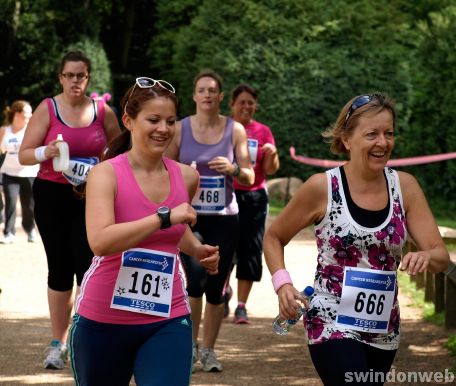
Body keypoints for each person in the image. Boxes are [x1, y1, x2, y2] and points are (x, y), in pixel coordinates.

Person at [263, 93, 450, 385]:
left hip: (383, 327)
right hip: (330, 319)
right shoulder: (321, 187)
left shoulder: (405, 187)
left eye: (389, 133)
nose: (383, 143)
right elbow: (274, 237)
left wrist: (426, 256)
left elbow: (440, 256)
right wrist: (282, 283)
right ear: (347, 139)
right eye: (372, 134)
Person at [69, 77, 219, 386]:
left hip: (167, 317)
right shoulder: (105, 174)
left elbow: (176, 232)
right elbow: (101, 241)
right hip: (103, 319)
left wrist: (197, 249)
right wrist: (163, 217)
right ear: (128, 120)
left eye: (170, 121)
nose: (163, 128)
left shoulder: (187, 177)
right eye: (153, 119)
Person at [18, 50, 121, 370]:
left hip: (92, 197)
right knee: (59, 267)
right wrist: (45, 151)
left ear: (88, 78)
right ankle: (57, 342)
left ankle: (84, 336)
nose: (75, 81)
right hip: (52, 195)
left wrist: (104, 163)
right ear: (60, 77)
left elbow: (122, 152)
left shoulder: (102, 111)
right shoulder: (47, 108)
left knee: (88, 264)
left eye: (81, 75)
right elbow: (23, 155)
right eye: (69, 75)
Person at [166, 70, 254, 372]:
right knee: (194, 282)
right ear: (194, 96)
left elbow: (250, 174)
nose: (206, 95)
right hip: (191, 218)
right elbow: (164, 169)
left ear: (219, 96)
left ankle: (209, 350)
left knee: (216, 287)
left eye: (212, 90)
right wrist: (183, 174)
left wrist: (232, 169)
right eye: (201, 90)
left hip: (224, 218)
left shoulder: (235, 130)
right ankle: (190, 348)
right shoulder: (179, 129)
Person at [224, 84, 280, 324]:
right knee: (224, 246)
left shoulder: (263, 131)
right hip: (226, 195)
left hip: (255, 196)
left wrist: (273, 153)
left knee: (250, 249)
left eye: (250, 102)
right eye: (242, 102)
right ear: (232, 105)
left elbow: (270, 169)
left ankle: (241, 306)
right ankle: (222, 291)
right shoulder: (222, 127)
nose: (246, 106)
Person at [0, 100, 38, 244]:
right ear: (17, 114)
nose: (30, 115)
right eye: (27, 112)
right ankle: (9, 232)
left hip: (29, 172)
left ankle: (30, 229)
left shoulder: (32, 130)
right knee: (10, 201)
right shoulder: (4, 130)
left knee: (29, 205)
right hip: (9, 173)